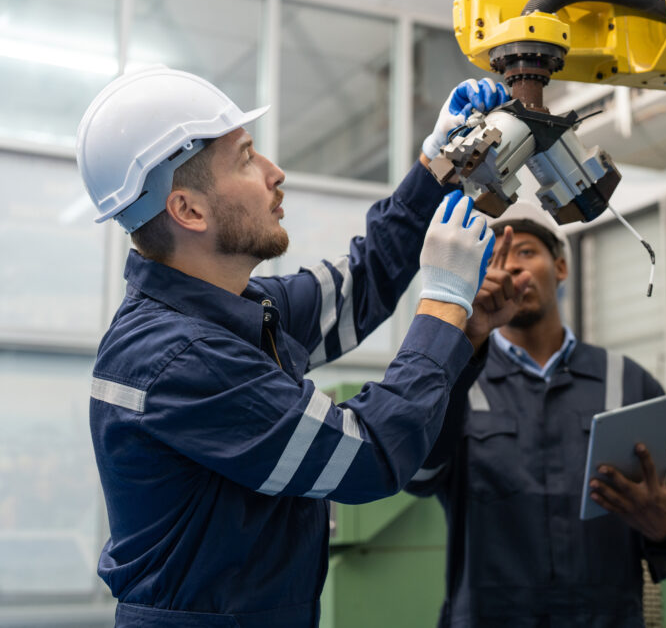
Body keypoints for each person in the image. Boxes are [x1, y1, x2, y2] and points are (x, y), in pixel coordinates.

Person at [77, 66, 512, 626]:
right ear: (188, 210)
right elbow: (368, 455)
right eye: (246, 158)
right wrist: (446, 302)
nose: (274, 173)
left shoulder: (234, 309)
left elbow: (365, 281)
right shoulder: (180, 357)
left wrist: (435, 166)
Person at [406, 202, 666, 627]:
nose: (510, 268)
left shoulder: (627, 383)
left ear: (561, 267)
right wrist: (464, 343)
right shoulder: (456, 375)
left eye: (526, 252)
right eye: (493, 258)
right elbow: (417, 477)